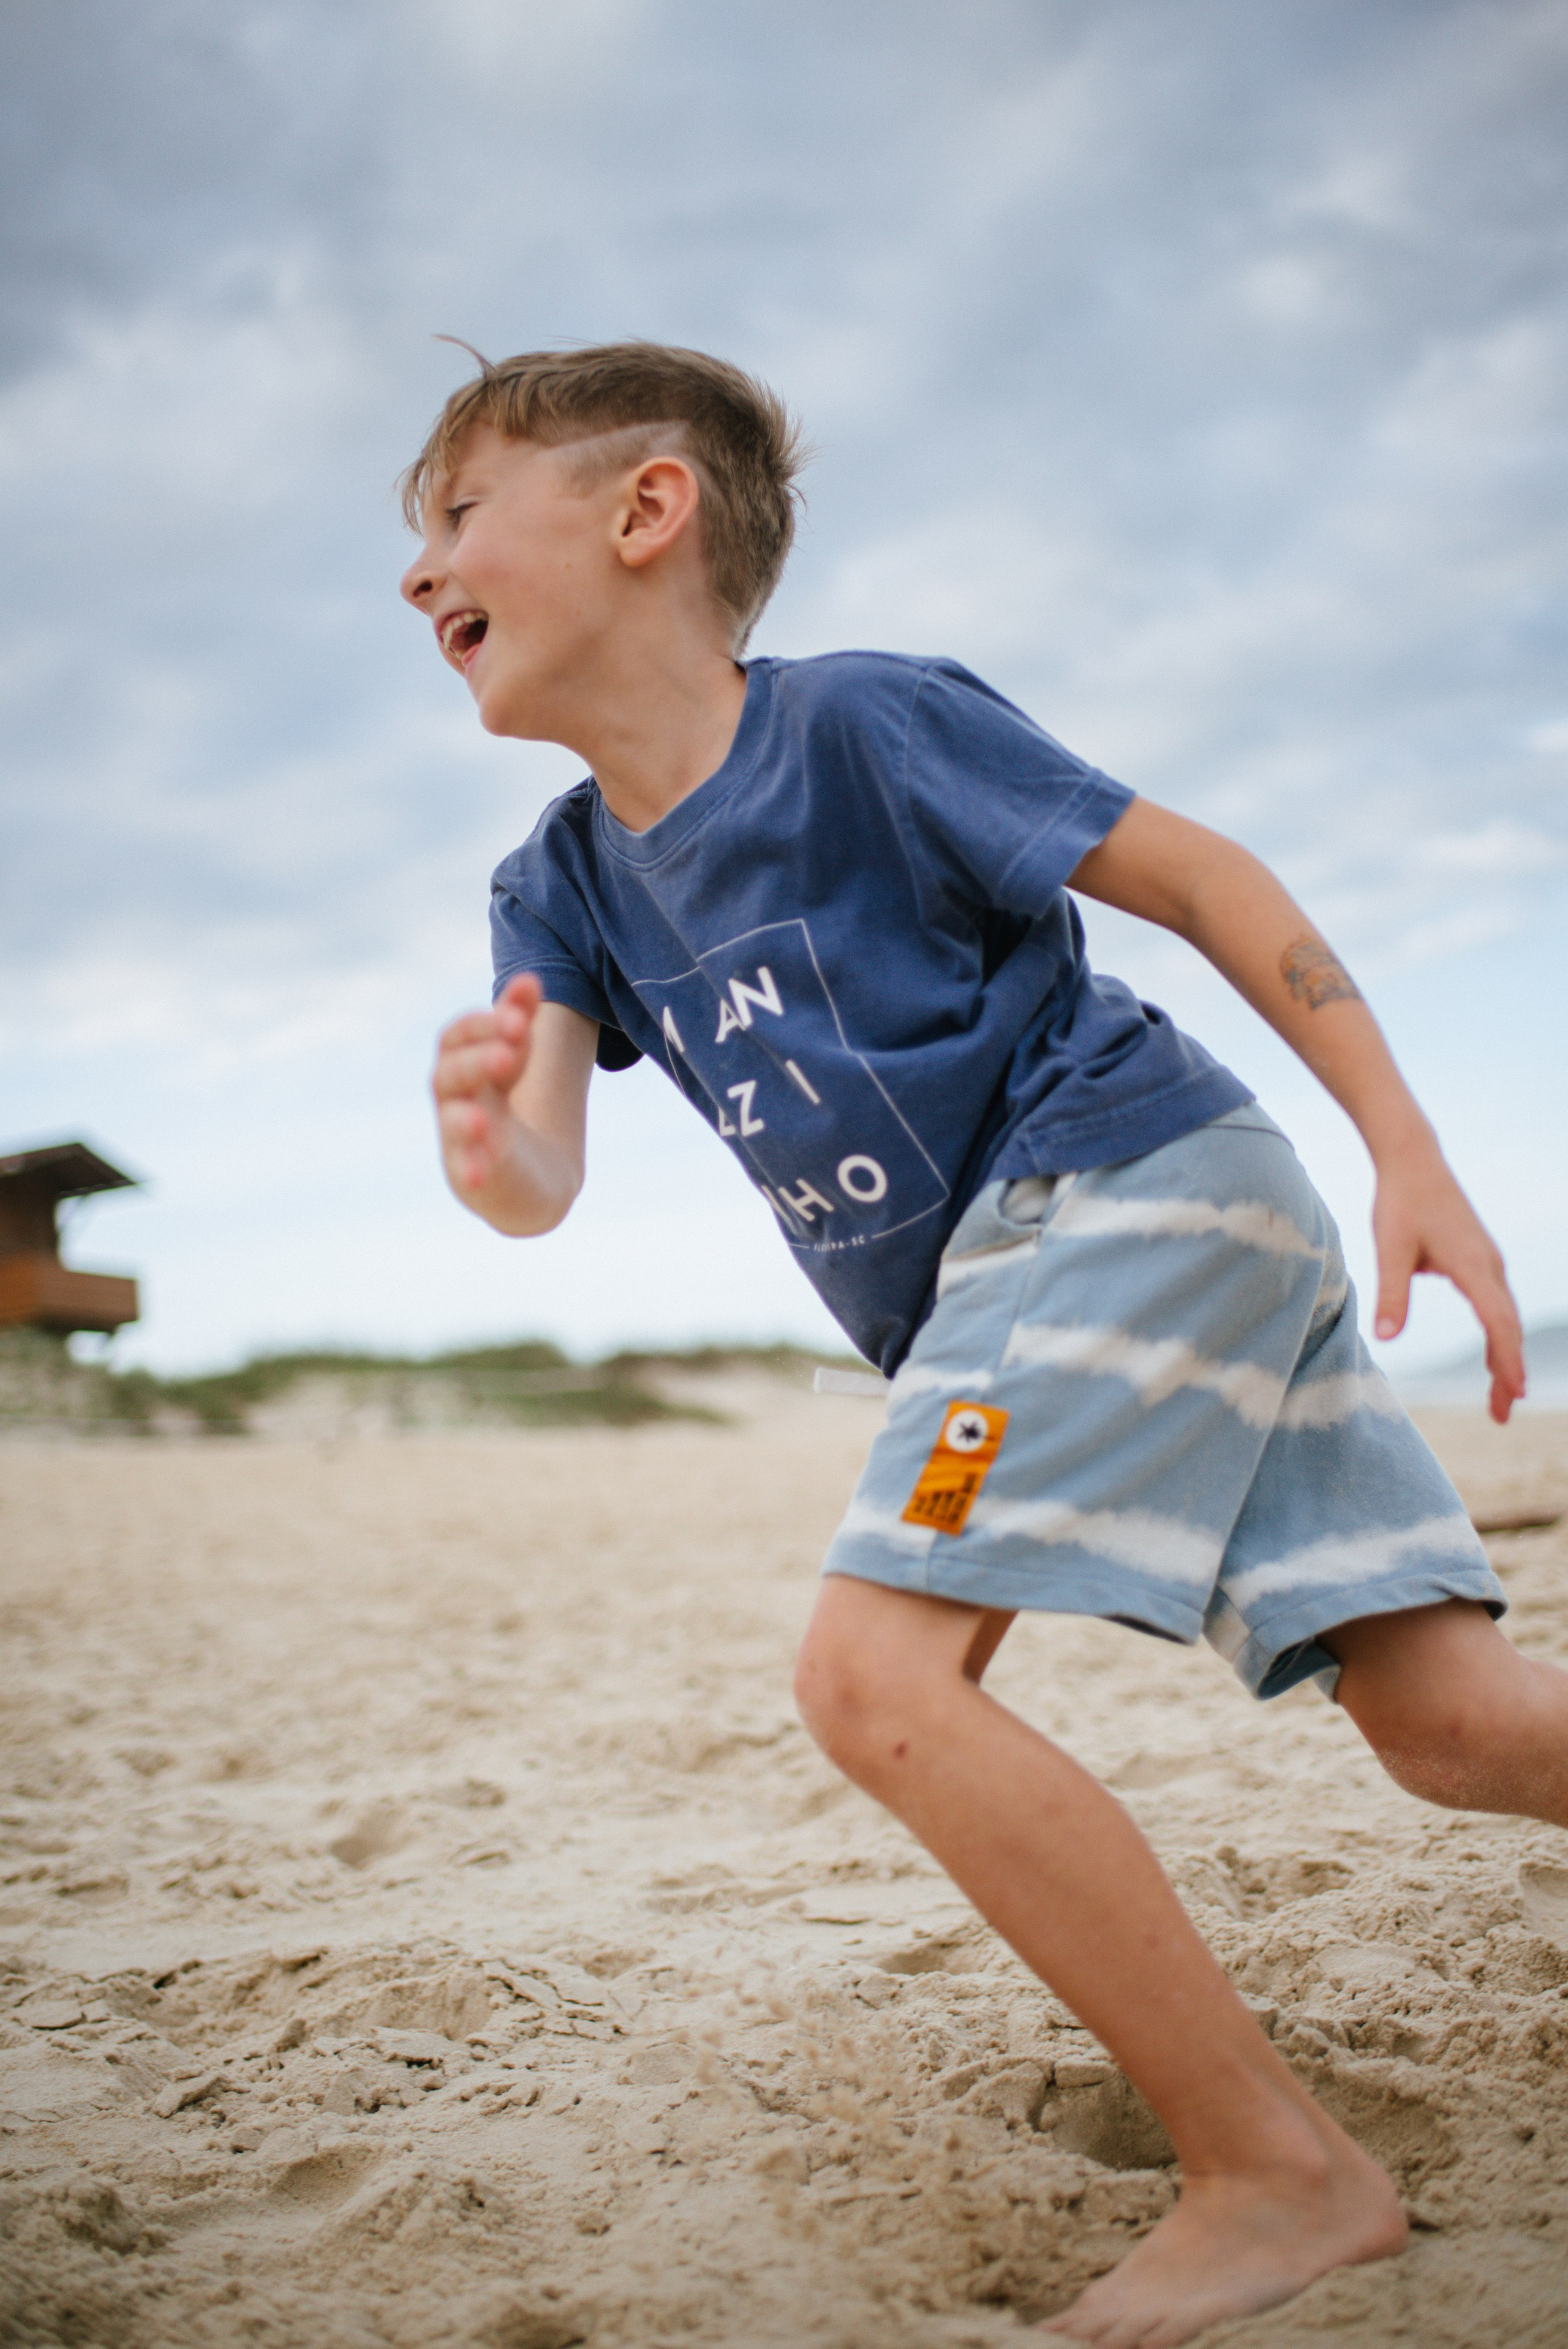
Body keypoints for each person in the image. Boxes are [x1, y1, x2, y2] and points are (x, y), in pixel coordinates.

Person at [401, 342, 1556, 2348]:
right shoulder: (560, 883)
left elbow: (1199, 877)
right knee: (1447, 1722)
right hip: (1141, 1239)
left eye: (455, 516)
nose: (420, 575)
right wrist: (491, 1141)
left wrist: (1412, 1146)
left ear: (645, 512)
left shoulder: (866, 729)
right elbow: (543, 1178)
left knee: (876, 1677)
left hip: (1119, 1180)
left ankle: (1281, 2171)